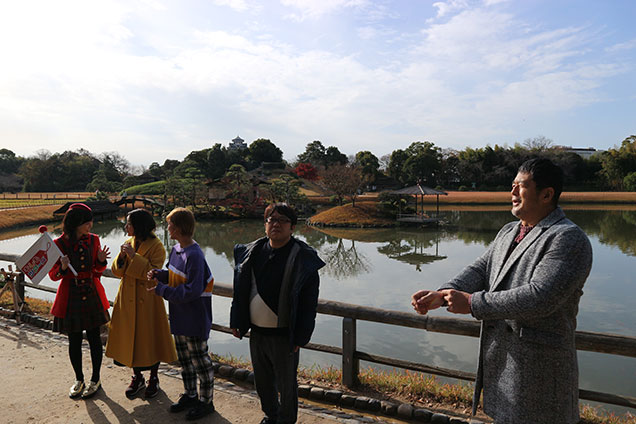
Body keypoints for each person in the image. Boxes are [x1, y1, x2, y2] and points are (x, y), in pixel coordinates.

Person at [411, 158, 593, 424]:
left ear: (547, 194)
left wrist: (473, 303)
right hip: (504, 361)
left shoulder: (567, 237)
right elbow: (481, 269)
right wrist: (444, 294)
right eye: (512, 186)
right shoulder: (509, 231)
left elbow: (541, 297)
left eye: (520, 186)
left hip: (541, 368)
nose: (512, 193)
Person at [230, 203, 325, 424]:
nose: (276, 224)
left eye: (282, 220)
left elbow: (309, 303)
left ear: (292, 227)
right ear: (265, 225)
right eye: (271, 219)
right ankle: (271, 416)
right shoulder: (251, 251)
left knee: (286, 385)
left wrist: (301, 336)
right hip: (257, 332)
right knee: (262, 382)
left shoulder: (304, 257)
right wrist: (237, 320)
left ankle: (286, 420)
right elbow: (240, 291)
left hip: (285, 335)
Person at [147, 207, 216, 421]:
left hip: (194, 318)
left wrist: (162, 290)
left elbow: (192, 291)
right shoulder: (177, 250)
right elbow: (175, 275)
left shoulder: (195, 255)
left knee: (200, 362)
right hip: (179, 315)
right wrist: (161, 275)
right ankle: (191, 394)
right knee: (185, 361)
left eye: (170, 225)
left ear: (178, 228)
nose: (167, 228)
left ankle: (206, 401)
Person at [105, 208, 177, 399]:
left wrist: (133, 257)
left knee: (149, 339)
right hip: (127, 298)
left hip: (148, 300)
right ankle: (137, 377)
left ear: (138, 225)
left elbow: (154, 274)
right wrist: (121, 257)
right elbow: (117, 271)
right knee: (130, 338)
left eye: (129, 223)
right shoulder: (128, 242)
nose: (126, 226)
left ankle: (154, 377)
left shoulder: (157, 246)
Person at [48, 203, 111, 399]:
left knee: (94, 339)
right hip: (70, 296)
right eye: (87, 222)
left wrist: (101, 260)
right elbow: (53, 275)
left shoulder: (94, 240)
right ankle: (79, 379)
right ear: (76, 223)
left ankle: (96, 379)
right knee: (74, 340)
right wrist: (64, 268)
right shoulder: (57, 245)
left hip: (91, 293)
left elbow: (98, 270)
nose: (91, 225)